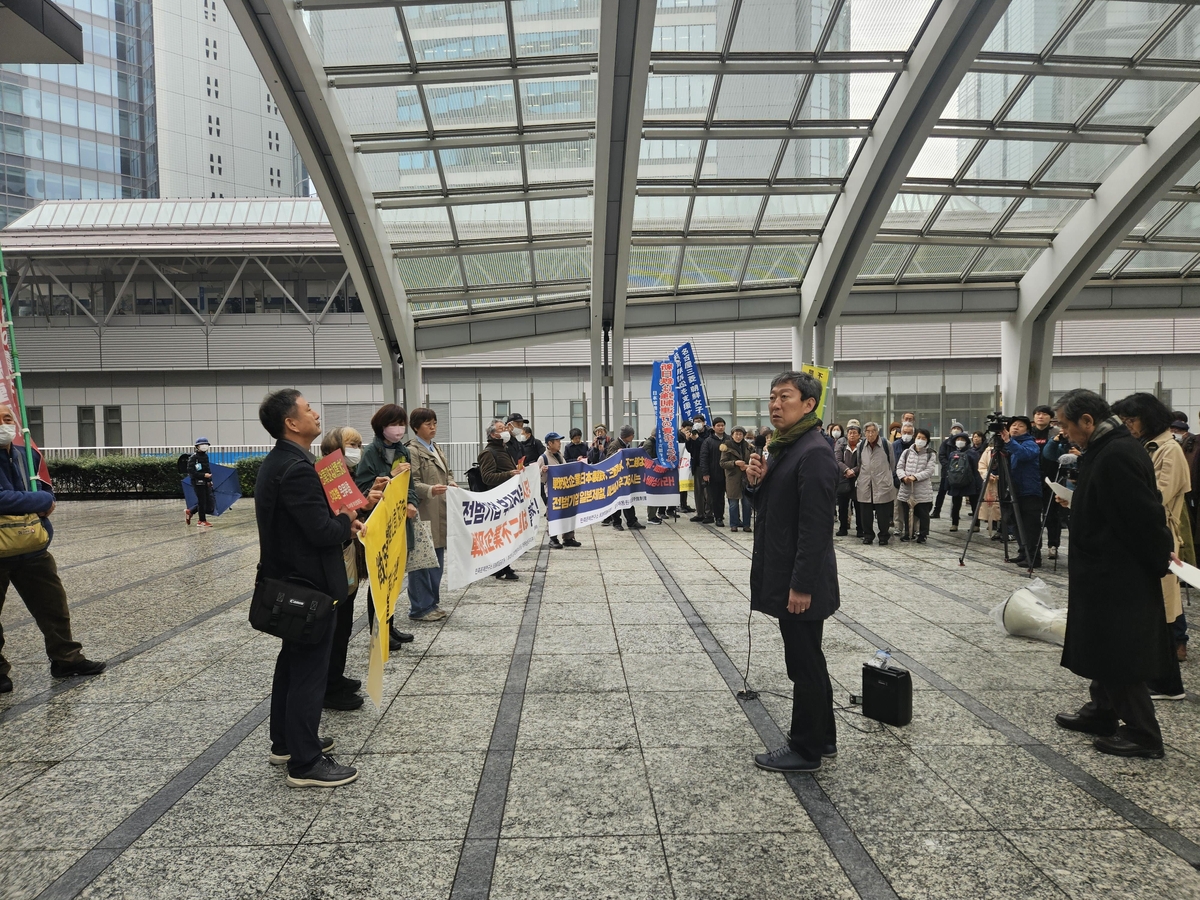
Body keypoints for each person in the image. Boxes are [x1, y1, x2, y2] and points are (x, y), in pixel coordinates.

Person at [1052, 389, 1174, 760]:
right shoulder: (1106, 447)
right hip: (1103, 569)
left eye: (1066, 425)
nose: (1065, 432)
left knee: (1120, 652)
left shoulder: (1117, 452)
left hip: (1118, 574)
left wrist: (1159, 561)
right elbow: (1112, 503)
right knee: (1103, 645)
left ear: (1088, 421)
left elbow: (1143, 516)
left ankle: (1143, 733)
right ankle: (1102, 712)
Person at [255, 389, 359, 787]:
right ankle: (305, 762)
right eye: (308, 409)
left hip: (292, 584)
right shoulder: (297, 468)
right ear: (291, 423)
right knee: (308, 672)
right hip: (309, 587)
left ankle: (286, 742)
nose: (316, 413)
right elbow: (320, 531)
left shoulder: (284, 461)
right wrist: (346, 518)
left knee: (293, 662)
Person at [745, 371, 839, 773]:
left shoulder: (813, 451)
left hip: (802, 581)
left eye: (785, 397)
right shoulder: (786, 447)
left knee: (803, 663)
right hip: (787, 571)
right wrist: (757, 483)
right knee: (809, 658)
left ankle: (806, 749)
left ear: (809, 404)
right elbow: (775, 508)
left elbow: (816, 528)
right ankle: (825, 737)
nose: (775, 405)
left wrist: (801, 587)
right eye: (771, 397)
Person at [0, 404, 105, 695]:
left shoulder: (27, 456)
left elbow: (47, 490)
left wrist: (42, 500)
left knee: (53, 606)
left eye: (7, 419)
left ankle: (66, 659)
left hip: (32, 546)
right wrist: (37, 502)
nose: (4, 425)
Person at [1112, 393, 1189, 701]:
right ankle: (1164, 681)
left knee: (1162, 611)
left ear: (1149, 417)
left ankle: (1165, 682)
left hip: (1159, 535)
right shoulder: (1148, 446)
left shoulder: (1169, 449)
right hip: (1147, 534)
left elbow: (1156, 495)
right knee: (1157, 610)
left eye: (1131, 420)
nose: (1128, 426)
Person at [318, 425, 386, 712]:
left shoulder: (349, 477)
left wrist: (367, 498)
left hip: (348, 559)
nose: (356, 449)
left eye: (359, 443)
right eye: (350, 444)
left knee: (344, 623)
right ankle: (329, 686)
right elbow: (335, 516)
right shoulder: (323, 477)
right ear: (334, 448)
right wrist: (362, 504)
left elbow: (350, 511)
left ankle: (336, 676)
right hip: (333, 561)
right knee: (335, 625)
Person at [354, 404, 422, 637]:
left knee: (392, 578)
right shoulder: (371, 453)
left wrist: (412, 502)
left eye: (402, 424)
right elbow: (363, 489)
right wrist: (389, 477)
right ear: (381, 427)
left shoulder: (403, 451)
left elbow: (409, 485)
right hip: (380, 524)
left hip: (398, 523)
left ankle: (390, 627)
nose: (399, 429)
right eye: (394, 424)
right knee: (379, 579)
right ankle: (378, 631)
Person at [407, 408, 455, 622]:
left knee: (436, 561)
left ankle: (431, 602)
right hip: (423, 512)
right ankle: (420, 607)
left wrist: (451, 481)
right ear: (416, 427)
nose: (433, 427)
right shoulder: (413, 450)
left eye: (434, 422)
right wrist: (429, 489)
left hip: (440, 511)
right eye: (428, 423)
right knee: (421, 562)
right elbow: (412, 482)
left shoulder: (435, 447)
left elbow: (448, 471)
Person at [479, 419, 522, 580]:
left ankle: (502, 566)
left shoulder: (504, 449)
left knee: (507, 534)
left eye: (505, 428)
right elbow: (487, 477)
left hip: (508, 498)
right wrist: (509, 474)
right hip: (497, 500)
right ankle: (501, 566)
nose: (505, 431)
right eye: (501, 429)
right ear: (492, 434)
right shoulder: (489, 452)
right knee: (501, 535)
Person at [1000, 415, 1043, 567]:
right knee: (1016, 523)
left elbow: (1024, 455)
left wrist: (1008, 441)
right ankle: (1023, 552)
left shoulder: (1031, 443)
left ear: (1027, 430)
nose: (1016, 428)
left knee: (1030, 525)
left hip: (1029, 491)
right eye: (1013, 425)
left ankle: (1034, 557)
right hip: (1014, 490)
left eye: (1020, 426)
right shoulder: (1008, 445)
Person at [1030, 405, 1064, 560]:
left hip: (1053, 477)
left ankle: (1053, 545)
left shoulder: (1057, 433)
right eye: (1037, 414)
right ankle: (1035, 545)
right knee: (1033, 514)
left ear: (1051, 417)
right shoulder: (1029, 433)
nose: (1040, 417)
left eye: (1044, 414)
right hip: (1032, 477)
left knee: (1052, 514)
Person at [855, 422, 897, 545]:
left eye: (873, 431)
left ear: (878, 432)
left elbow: (892, 463)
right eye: (868, 431)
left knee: (883, 513)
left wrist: (887, 477)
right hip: (865, 483)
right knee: (865, 513)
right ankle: (868, 535)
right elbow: (859, 463)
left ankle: (883, 536)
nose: (870, 434)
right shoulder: (861, 445)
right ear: (864, 433)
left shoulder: (886, 444)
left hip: (882, 482)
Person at [896, 428, 935, 543]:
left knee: (923, 513)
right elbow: (899, 467)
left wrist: (915, 477)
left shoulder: (930, 454)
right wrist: (903, 477)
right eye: (919, 437)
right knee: (907, 512)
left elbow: (929, 470)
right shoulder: (907, 452)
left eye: (923, 438)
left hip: (922, 489)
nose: (920, 440)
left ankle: (923, 534)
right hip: (907, 488)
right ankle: (908, 533)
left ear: (927, 440)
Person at [541, 432, 580, 547]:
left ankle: (568, 538)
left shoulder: (560, 455)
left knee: (568, 513)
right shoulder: (543, 458)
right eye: (557, 441)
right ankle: (553, 539)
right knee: (553, 515)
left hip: (565, 490)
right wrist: (542, 471)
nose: (559, 443)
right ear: (550, 443)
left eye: (559, 441)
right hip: (553, 492)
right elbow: (540, 479)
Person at [603, 425, 644, 531]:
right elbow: (609, 459)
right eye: (632, 434)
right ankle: (616, 522)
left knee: (628, 499)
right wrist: (618, 453)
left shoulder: (626, 444)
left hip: (625, 477)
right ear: (627, 436)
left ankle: (632, 521)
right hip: (616, 478)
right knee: (617, 501)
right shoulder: (615, 445)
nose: (633, 436)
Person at [945, 429, 980, 533]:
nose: (960, 441)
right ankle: (954, 524)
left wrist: (978, 483)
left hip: (970, 481)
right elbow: (949, 469)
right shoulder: (952, 454)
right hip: (956, 482)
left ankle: (976, 525)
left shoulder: (972, 453)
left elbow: (976, 469)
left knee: (974, 504)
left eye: (962, 439)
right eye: (958, 439)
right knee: (956, 504)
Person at [721, 425, 752, 532]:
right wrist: (734, 463)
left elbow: (753, 461)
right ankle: (733, 524)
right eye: (736, 434)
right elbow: (722, 463)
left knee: (747, 503)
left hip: (746, 478)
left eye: (740, 434)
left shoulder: (748, 446)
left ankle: (746, 525)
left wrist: (747, 466)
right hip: (733, 478)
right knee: (733, 503)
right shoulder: (727, 447)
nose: (738, 436)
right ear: (732, 435)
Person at [641, 432, 676, 525]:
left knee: (656, 494)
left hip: (657, 472)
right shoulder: (649, 443)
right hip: (652, 473)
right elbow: (648, 458)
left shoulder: (656, 443)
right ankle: (651, 516)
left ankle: (653, 515)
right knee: (652, 494)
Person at [700, 417, 728, 527]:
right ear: (713, 427)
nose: (721, 427)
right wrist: (705, 473)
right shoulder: (708, 441)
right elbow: (704, 458)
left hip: (728, 473)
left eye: (722, 425)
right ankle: (719, 517)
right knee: (717, 497)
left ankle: (735, 518)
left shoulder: (729, 439)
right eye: (718, 425)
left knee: (731, 497)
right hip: (714, 473)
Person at [932, 421, 964, 518]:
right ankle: (936, 511)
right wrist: (949, 467)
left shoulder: (963, 444)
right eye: (954, 428)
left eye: (958, 428)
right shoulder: (946, 443)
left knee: (957, 494)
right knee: (941, 492)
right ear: (950, 430)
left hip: (959, 474)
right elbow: (941, 456)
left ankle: (955, 514)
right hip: (946, 472)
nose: (956, 430)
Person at [834, 423, 861, 536]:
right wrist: (846, 470)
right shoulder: (842, 445)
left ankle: (860, 529)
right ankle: (843, 527)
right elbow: (837, 460)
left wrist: (853, 471)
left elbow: (864, 462)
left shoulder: (862, 446)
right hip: (843, 478)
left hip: (858, 479)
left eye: (855, 433)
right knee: (843, 505)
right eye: (850, 433)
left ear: (859, 435)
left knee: (859, 506)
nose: (852, 435)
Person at [976, 433, 1004, 538]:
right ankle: (996, 528)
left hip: (1003, 482)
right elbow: (982, 466)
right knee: (991, 505)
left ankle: (1007, 530)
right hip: (990, 482)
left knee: (1003, 507)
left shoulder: (1007, 450)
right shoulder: (987, 451)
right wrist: (987, 475)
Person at [184, 436, 214, 528]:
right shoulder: (193, 457)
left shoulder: (205, 456)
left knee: (207, 501)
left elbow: (207, 469)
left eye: (206, 444)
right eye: (202, 445)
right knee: (202, 501)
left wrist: (209, 480)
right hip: (197, 482)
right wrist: (203, 475)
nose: (204, 446)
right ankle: (201, 521)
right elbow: (191, 472)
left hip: (205, 481)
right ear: (197, 447)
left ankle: (191, 511)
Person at [685, 416, 711, 522]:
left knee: (707, 491)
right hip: (697, 465)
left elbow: (706, 446)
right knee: (698, 491)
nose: (697, 424)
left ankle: (709, 513)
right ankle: (700, 513)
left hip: (707, 465)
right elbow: (690, 449)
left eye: (699, 422)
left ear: (704, 423)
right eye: (695, 422)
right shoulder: (693, 433)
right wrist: (688, 440)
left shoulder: (709, 433)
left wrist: (698, 439)